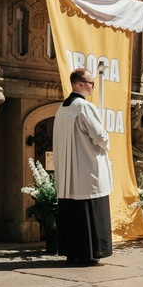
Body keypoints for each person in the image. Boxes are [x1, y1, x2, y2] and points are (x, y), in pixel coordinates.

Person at [53, 68, 113, 266]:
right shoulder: (84, 107)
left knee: (73, 209)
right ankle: (91, 251)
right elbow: (99, 136)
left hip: (70, 171)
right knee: (90, 207)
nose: (93, 87)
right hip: (87, 167)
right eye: (90, 83)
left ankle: (74, 251)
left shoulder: (62, 107)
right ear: (80, 84)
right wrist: (107, 139)